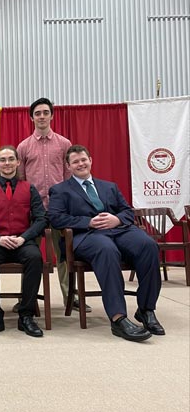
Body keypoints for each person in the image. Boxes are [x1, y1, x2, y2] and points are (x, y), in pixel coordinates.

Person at [48, 144, 165, 342]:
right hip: (86, 236)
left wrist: (116, 219)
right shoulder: (60, 190)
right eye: (75, 161)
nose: (80, 164)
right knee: (107, 250)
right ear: (68, 167)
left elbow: (127, 211)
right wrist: (88, 222)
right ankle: (118, 318)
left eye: (83, 159)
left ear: (91, 160)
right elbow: (56, 218)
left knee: (148, 246)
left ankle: (146, 309)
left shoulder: (109, 186)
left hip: (119, 230)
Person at [16, 97, 91, 313]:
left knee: (65, 254)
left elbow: (71, 177)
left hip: (60, 209)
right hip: (34, 210)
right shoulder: (24, 146)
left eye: (45, 112)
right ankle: (26, 298)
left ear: (52, 115)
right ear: (31, 117)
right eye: (37, 113)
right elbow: (21, 180)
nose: (41, 116)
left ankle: (71, 297)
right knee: (28, 253)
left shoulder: (64, 144)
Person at [0, 146, 48, 338]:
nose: (7, 163)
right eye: (2, 160)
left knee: (35, 257)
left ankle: (26, 315)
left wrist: (24, 238)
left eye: (10, 159)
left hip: (24, 240)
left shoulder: (28, 187)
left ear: (18, 162)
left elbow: (41, 219)